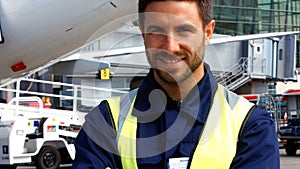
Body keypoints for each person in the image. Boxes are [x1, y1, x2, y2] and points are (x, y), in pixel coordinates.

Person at [72, 0, 280, 169]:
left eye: (184, 30)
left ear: (208, 32)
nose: (170, 46)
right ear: (143, 33)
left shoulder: (252, 127)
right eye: (157, 31)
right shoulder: (106, 122)